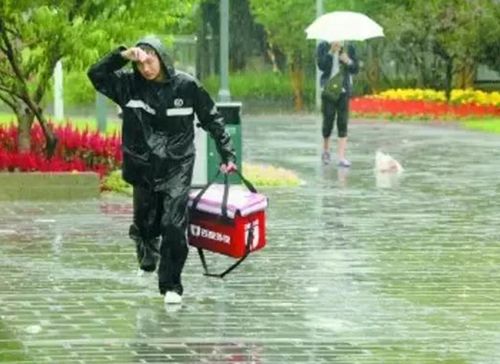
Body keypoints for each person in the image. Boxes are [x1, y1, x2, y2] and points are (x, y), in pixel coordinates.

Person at [87, 35, 237, 305]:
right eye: (141, 63)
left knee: (173, 224)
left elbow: (211, 118)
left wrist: (227, 152)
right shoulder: (127, 86)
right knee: (146, 223)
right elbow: (95, 74)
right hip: (142, 164)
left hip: (177, 165)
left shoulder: (186, 86)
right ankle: (147, 253)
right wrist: (122, 56)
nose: (146, 68)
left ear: (162, 57)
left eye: (151, 60)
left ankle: (171, 285)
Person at [316, 40, 359, 167]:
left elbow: (355, 69)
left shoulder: (349, 47)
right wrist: (330, 52)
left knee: (342, 122)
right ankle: (326, 151)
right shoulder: (323, 46)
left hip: (344, 90)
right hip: (328, 90)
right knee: (328, 121)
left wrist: (348, 61)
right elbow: (321, 66)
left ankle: (341, 157)